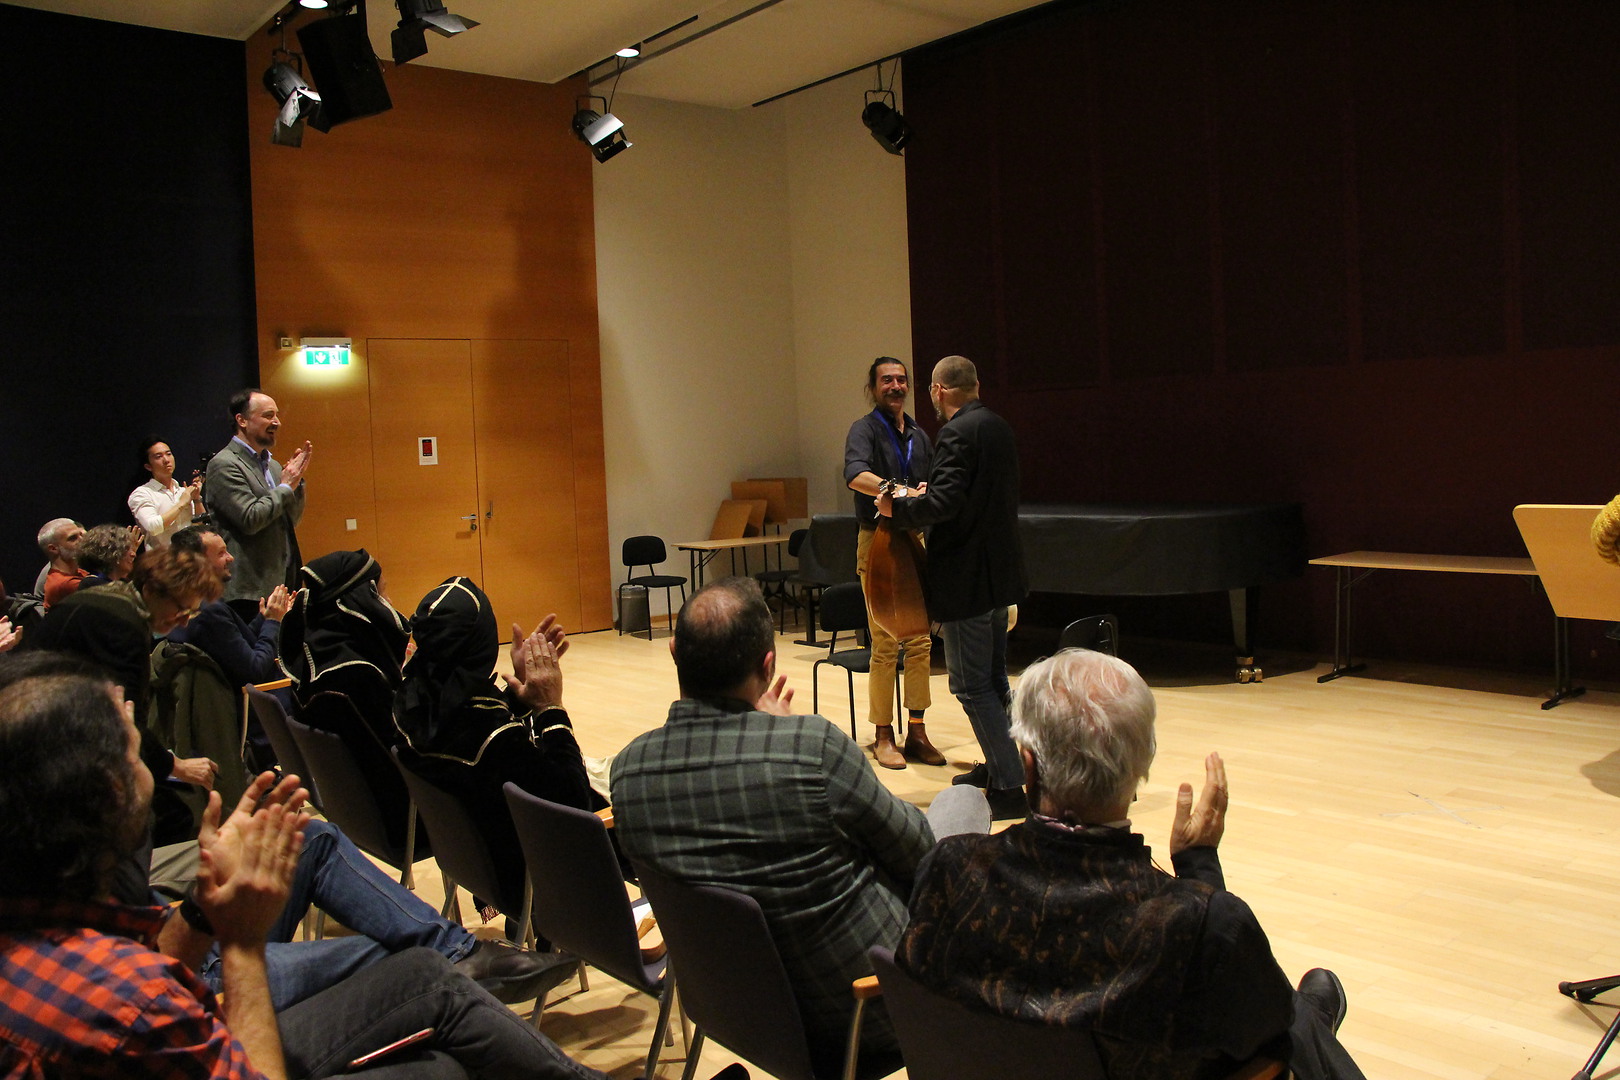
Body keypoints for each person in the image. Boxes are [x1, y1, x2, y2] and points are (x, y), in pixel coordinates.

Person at [0, 660, 613, 1080]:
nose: (159, 768)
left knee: (436, 1040)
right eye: (141, 753)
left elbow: (155, 954)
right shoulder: (129, 1003)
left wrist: (203, 908)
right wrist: (240, 943)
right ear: (109, 793)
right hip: (219, 1018)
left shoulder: (44, 923)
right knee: (431, 1005)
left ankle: (462, 963)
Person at [898, 648, 1365, 1080]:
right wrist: (1200, 866)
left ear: (1028, 765)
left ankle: (1314, 1009)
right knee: (1299, 1022)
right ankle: (1315, 1012)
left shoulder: (947, 870)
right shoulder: (1201, 924)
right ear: (1140, 769)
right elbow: (1267, 1032)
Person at [611, 577, 987, 1067]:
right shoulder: (811, 751)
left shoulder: (629, 774)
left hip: (740, 1012)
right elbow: (920, 854)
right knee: (962, 802)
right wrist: (783, 738)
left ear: (674, 652)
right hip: (868, 1011)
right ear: (768, 666)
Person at [394, 577, 606, 911]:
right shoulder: (494, 739)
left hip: (472, 867)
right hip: (529, 882)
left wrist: (520, 690)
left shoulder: (408, 704)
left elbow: (466, 719)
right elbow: (572, 802)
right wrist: (550, 707)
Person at [879, 354, 1028, 819]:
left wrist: (897, 509)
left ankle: (1010, 786)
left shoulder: (957, 432)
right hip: (998, 574)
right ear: (975, 385)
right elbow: (973, 497)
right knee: (994, 679)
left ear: (938, 391)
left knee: (970, 685)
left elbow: (944, 504)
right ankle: (1007, 765)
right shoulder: (998, 426)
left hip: (967, 580)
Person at [23, 544, 226, 845]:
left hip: (41, 729)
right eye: (181, 609)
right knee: (170, 816)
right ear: (151, 590)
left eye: (192, 613)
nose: (184, 621)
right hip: (43, 751)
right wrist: (177, 767)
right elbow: (124, 722)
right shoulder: (124, 626)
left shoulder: (108, 599)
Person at [842, 356, 943, 769]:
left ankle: (916, 730)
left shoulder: (919, 434)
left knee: (920, 640)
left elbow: (932, 483)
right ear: (873, 387)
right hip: (878, 539)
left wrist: (928, 490)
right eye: (887, 380)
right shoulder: (864, 429)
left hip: (913, 539)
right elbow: (855, 475)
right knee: (884, 642)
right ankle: (883, 735)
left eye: (901, 379)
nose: (896, 386)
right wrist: (899, 490)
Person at [205, 388, 310, 617]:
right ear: (241, 420)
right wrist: (285, 487)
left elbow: (290, 520)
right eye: (268, 415)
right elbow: (250, 519)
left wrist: (296, 483)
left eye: (277, 415)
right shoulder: (224, 464)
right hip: (248, 591)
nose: (277, 422)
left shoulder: (273, 466)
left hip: (281, 584)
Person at [168, 524, 292, 688]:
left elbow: (234, 646)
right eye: (221, 553)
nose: (231, 557)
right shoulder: (208, 611)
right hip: (244, 699)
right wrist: (273, 622)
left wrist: (265, 617)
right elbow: (254, 670)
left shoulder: (187, 599)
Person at [129, 434, 203, 548]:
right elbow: (153, 527)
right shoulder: (142, 493)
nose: (166, 460)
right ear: (148, 466)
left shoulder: (182, 491)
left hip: (190, 555)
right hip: (164, 558)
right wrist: (181, 504)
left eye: (168, 454)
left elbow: (201, 526)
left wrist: (197, 500)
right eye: (158, 456)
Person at [37, 516, 88, 608]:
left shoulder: (78, 572)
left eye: (81, 535)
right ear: (53, 548)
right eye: (73, 538)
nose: (82, 540)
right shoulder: (63, 584)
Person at [74, 523, 143, 589]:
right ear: (109, 552)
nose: (134, 554)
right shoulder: (92, 584)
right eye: (126, 549)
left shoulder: (119, 583)